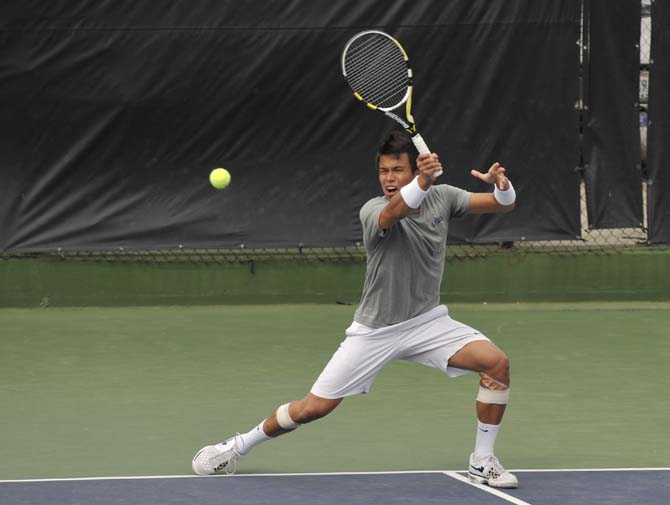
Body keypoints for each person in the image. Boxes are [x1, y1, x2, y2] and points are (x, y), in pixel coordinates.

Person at [192, 128, 519, 488]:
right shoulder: (373, 209)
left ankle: (482, 460)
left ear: (412, 170)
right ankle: (239, 445)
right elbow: (395, 213)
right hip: (374, 332)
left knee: (495, 363)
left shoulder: (444, 197)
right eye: (384, 171)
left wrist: (500, 185)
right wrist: (422, 182)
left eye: (397, 170)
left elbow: (503, 205)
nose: (389, 179)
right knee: (312, 409)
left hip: (427, 322)